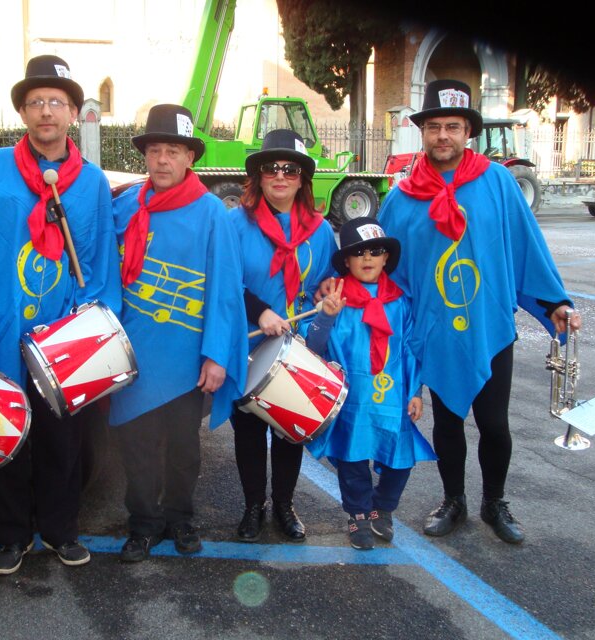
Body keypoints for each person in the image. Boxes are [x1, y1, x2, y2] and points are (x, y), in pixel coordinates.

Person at [377, 79, 581, 544]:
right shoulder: (402, 197)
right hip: (436, 331)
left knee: (493, 423)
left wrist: (555, 303)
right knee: (448, 422)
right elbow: (381, 269)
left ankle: (495, 501)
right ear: (423, 132)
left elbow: (526, 247)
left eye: (453, 126)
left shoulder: (498, 183)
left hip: (489, 327)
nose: (442, 136)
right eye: (434, 127)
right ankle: (454, 500)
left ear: (468, 131)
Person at [0, 55, 121, 573]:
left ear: (73, 113)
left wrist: (89, 331)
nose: (47, 111)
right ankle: (9, 535)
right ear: (23, 112)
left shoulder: (91, 183)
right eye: (36, 102)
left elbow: (101, 261)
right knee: (0, 435)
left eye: (57, 102)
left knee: (62, 441)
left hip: (61, 338)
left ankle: (60, 530)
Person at [110, 104, 248, 562]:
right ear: (145, 155)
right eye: (155, 150)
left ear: (190, 158)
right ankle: (143, 524)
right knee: (137, 447)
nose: (163, 160)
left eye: (173, 151)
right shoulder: (126, 206)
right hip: (133, 353)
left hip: (186, 355)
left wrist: (216, 355)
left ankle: (181, 519)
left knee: (183, 448)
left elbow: (225, 289)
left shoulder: (212, 213)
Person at [228, 129, 337, 543]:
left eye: (290, 169)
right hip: (249, 340)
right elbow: (225, 281)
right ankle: (252, 506)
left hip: (297, 345)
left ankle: (285, 506)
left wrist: (328, 290)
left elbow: (326, 278)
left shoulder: (319, 230)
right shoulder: (236, 223)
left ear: (301, 178)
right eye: (270, 168)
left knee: (291, 429)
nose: (279, 176)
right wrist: (261, 311)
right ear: (258, 175)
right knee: (249, 432)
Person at [304, 218, 435, 550]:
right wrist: (326, 316)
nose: (367, 258)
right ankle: (358, 513)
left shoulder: (400, 302)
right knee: (353, 457)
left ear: (386, 258)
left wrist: (415, 392)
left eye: (375, 251)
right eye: (358, 252)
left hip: (393, 395)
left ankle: (383, 507)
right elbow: (314, 347)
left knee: (399, 459)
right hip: (354, 398)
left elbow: (409, 349)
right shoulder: (337, 298)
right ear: (346, 260)